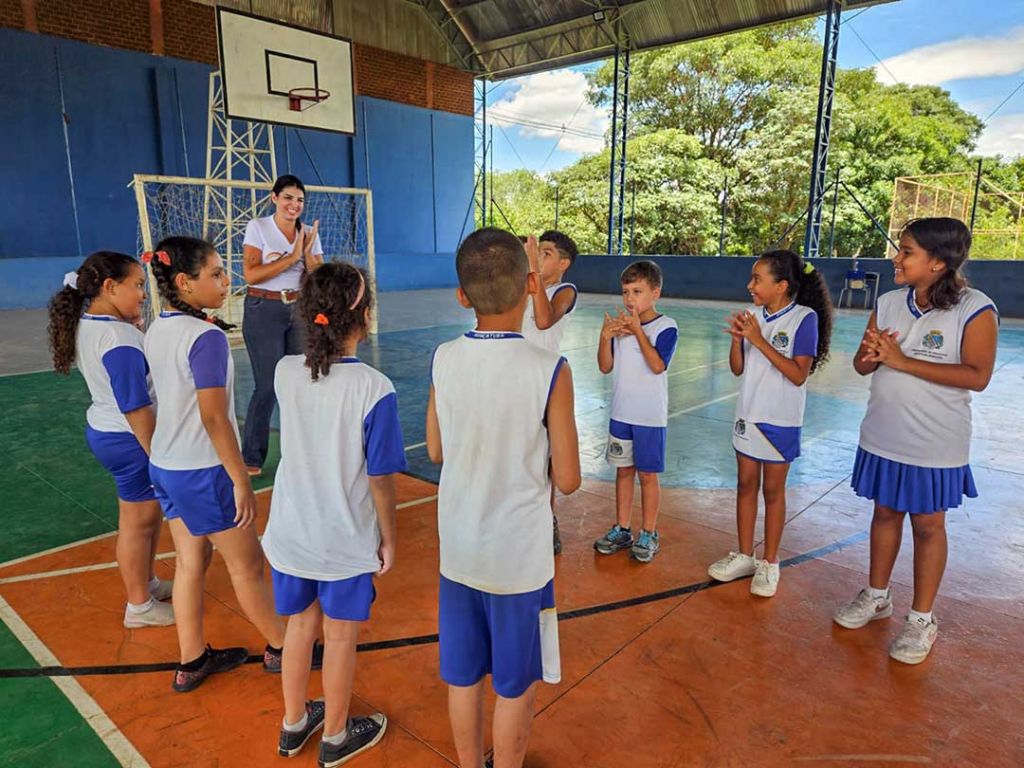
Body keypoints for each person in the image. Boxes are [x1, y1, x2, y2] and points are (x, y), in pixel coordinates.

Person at [426, 227, 580, 768]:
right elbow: (568, 479)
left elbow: (437, 449)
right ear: (528, 286)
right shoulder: (549, 370)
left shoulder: (444, 358)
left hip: (459, 548)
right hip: (517, 557)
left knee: (463, 674)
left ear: (462, 295)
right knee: (515, 683)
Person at [833, 217, 998, 665]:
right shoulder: (888, 302)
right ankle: (876, 595)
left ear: (939, 263)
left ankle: (922, 618)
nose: (896, 258)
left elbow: (977, 376)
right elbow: (863, 365)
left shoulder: (975, 308)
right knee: (884, 512)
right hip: (884, 434)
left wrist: (902, 361)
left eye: (906, 252)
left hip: (935, 442)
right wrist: (871, 356)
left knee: (928, 525)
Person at [264, 262, 404, 764]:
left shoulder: (285, 372)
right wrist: (388, 538)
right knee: (341, 639)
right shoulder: (374, 388)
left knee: (299, 629)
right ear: (363, 317)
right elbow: (380, 479)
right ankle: (336, 735)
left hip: (290, 534)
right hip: (344, 541)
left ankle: (293, 723)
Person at [144, 236, 288, 692]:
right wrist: (238, 477)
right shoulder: (205, 337)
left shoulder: (157, 327)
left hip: (166, 465)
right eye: (216, 273)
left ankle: (192, 660)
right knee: (247, 567)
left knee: (190, 562)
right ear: (184, 283)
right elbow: (212, 416)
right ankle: (285, 647)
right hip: (203, 469)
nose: (227, 281)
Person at [47, 251, 174, 628]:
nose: (143, 294)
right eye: (136, 286)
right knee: (137, 523)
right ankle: (139, 606)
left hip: (111, 432)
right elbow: (135, 405)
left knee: (146, 520)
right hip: (129, 439)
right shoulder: (117, 339)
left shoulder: (95, 324)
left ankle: (146, 583)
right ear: (109, 286)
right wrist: (158, 455)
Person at [707, 250, 834, 597]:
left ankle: (770, 561)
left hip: (779, 421)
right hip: (747, 415)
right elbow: (737, 369)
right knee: (745, 485)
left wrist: (758, 340)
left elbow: (797, 374)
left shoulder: (803, 319)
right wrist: (737, 340)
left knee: (773, 492)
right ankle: (745, 555)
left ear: (781, 286)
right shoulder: (752, 316)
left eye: (757, 279)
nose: (750, 285)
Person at [593, 260, 678, 563]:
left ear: (655, 293)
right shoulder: (620, 328)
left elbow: (657, 365)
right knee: (623, 472)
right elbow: (605, 366)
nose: (630, 299)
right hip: (621, 414)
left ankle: (649, 532)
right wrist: (606, 336)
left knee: (648, 476)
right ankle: (622, 528)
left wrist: (637, 331)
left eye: (637, 291)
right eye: (626, 292)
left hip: (649, 417)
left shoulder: (666, 327)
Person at [241, 174, 324, 476]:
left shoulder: (308, 232)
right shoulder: (258, 227)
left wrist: (309, 254)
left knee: (300, 382)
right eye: (288, 197)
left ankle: (301, 454)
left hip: (299, 308)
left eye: (300, 200)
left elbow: (316, 273)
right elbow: (251, 274)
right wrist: (292, 257)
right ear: (274, 198)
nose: (294, 204)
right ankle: (252, 456)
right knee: (268, 384)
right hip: (264, 308)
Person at [521, 230, 579, 555]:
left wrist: (532, 269)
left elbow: (543, 321)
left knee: (545, 461)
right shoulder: (526, 286)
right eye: (537, 251)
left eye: (546, 253)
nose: (539, 256)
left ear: (563, 263)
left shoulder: (564, 290)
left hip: (546, 385)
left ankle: (547, 518)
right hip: (518, 381)